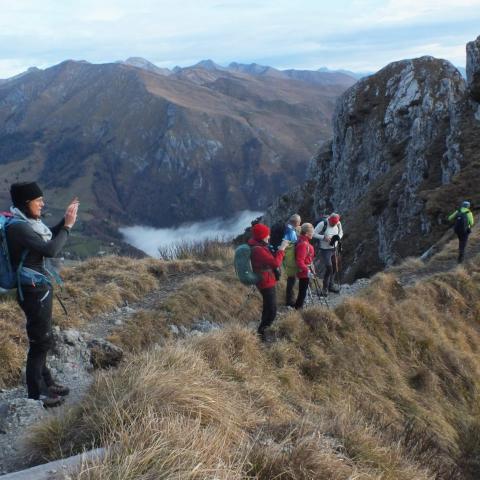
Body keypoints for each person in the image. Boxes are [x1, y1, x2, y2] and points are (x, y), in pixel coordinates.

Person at [6, 182, 79, 408]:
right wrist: (66, 227)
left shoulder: (26, 223)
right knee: (40, 341)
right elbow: (50, 250)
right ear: (26, 203)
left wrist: (66, 221)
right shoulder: (19, 228)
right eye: (38, 200)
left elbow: (45, 242)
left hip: (36, 288)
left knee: (43, 338)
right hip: (33, 291)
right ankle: (36, 395)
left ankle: (46, 382)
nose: (42, 204)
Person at [248, 223, 287, 342]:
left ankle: (262, 330)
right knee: (272, 310)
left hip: (265, 279)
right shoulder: (258, 250)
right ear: (261, 237)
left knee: (268, 306)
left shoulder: (258, 245)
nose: (268, 237)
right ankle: (261, 332)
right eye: (266, 235)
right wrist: (281, 250)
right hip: (266, 282)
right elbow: (275, 263)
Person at [313, 213, 343, 296]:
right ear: (329, 220)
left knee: (334, 266)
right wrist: (323, 237)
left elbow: (341, 232)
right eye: (332, 224)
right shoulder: (323, 224)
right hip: (325, 249)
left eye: (335, 224)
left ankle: (331, 285)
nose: (333, 225)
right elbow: (313, 234)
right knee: (329, 268)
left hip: (334, 247)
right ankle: (325, 288)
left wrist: (338, 237)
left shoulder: (338, 223)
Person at [294, 223, 315, 309]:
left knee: (303, 290)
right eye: (311, 232)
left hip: (305, 270)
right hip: (304, 272)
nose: (313, 234)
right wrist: (308, 271)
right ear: (306, 234)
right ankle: (298, 308)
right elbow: (299, 261)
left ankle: (299, 307)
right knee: (303, 291)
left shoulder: (302, 242)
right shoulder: (303, 244)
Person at [284, 214, 301, 307]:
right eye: (299, 222)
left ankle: (290, 298)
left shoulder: (286, 227)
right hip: (290, 259)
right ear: (296, 222)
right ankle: (289, 301)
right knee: (292, 279)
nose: (300, 224)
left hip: (286, 258)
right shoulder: (291, 232)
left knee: (291, 279)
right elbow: (294, 245)